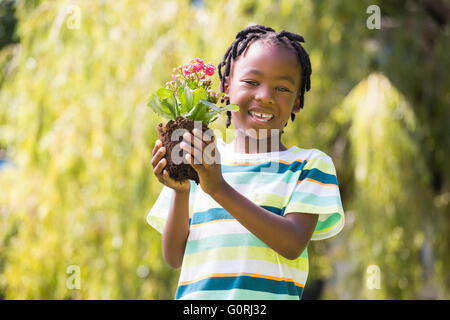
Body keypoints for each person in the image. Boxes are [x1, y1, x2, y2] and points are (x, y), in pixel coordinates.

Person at [148, 25, 345, 300]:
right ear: (225, 87)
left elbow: (292, 243)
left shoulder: (309, 165)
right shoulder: (202, 157)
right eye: (252, 82)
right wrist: (180, 191)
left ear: (297, 101)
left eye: (282, 88)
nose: (265, 95)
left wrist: (218, 188)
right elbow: (174, 256)